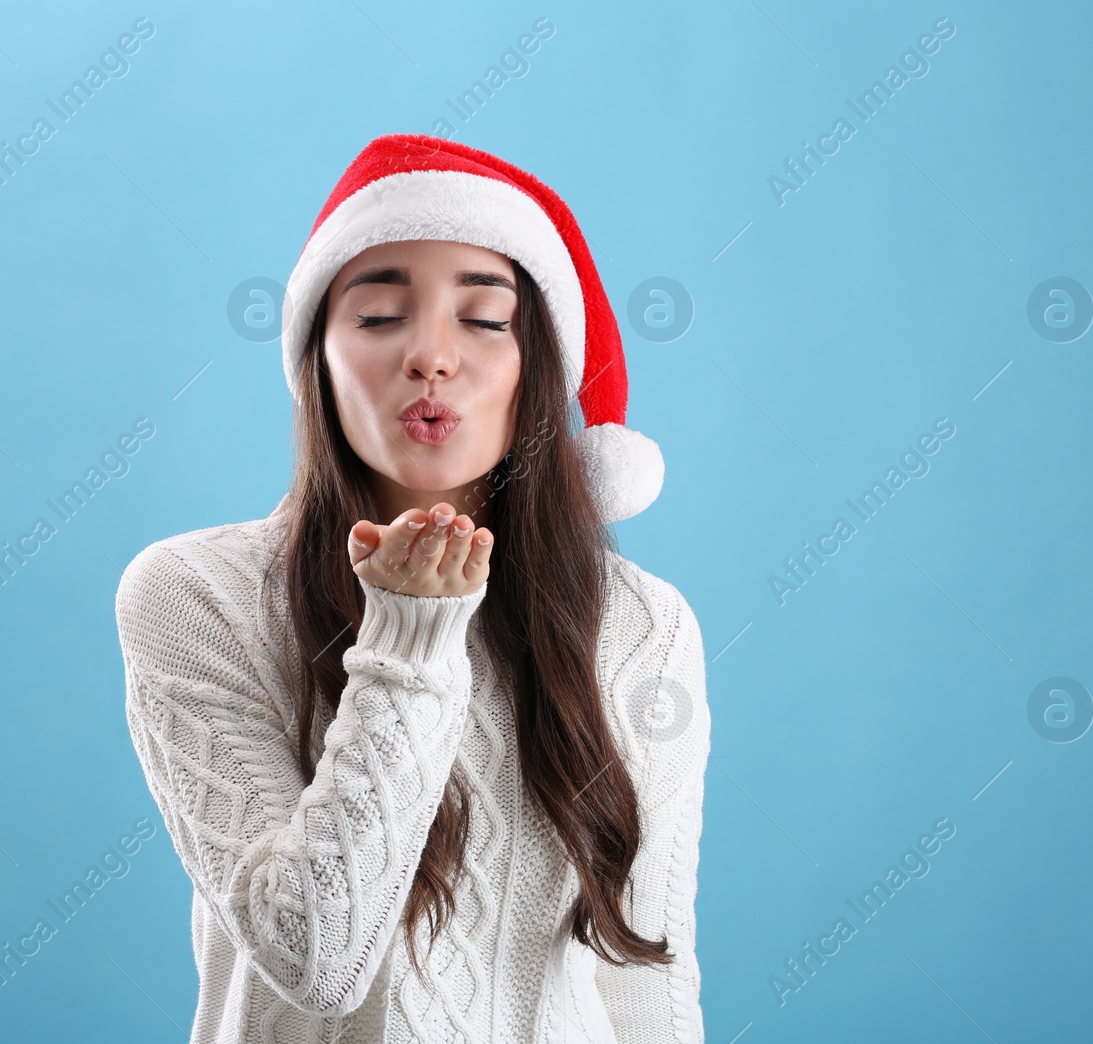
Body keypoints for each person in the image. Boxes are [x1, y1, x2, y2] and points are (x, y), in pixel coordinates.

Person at [115, 134, 711, 1043]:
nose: (432, 355)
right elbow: (318, 957)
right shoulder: (197, 597)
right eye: (381, 315)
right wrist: (410, 638)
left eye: (484, 319)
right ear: (318, 357)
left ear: (536, 366)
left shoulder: (643, 624)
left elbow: (647, 983)